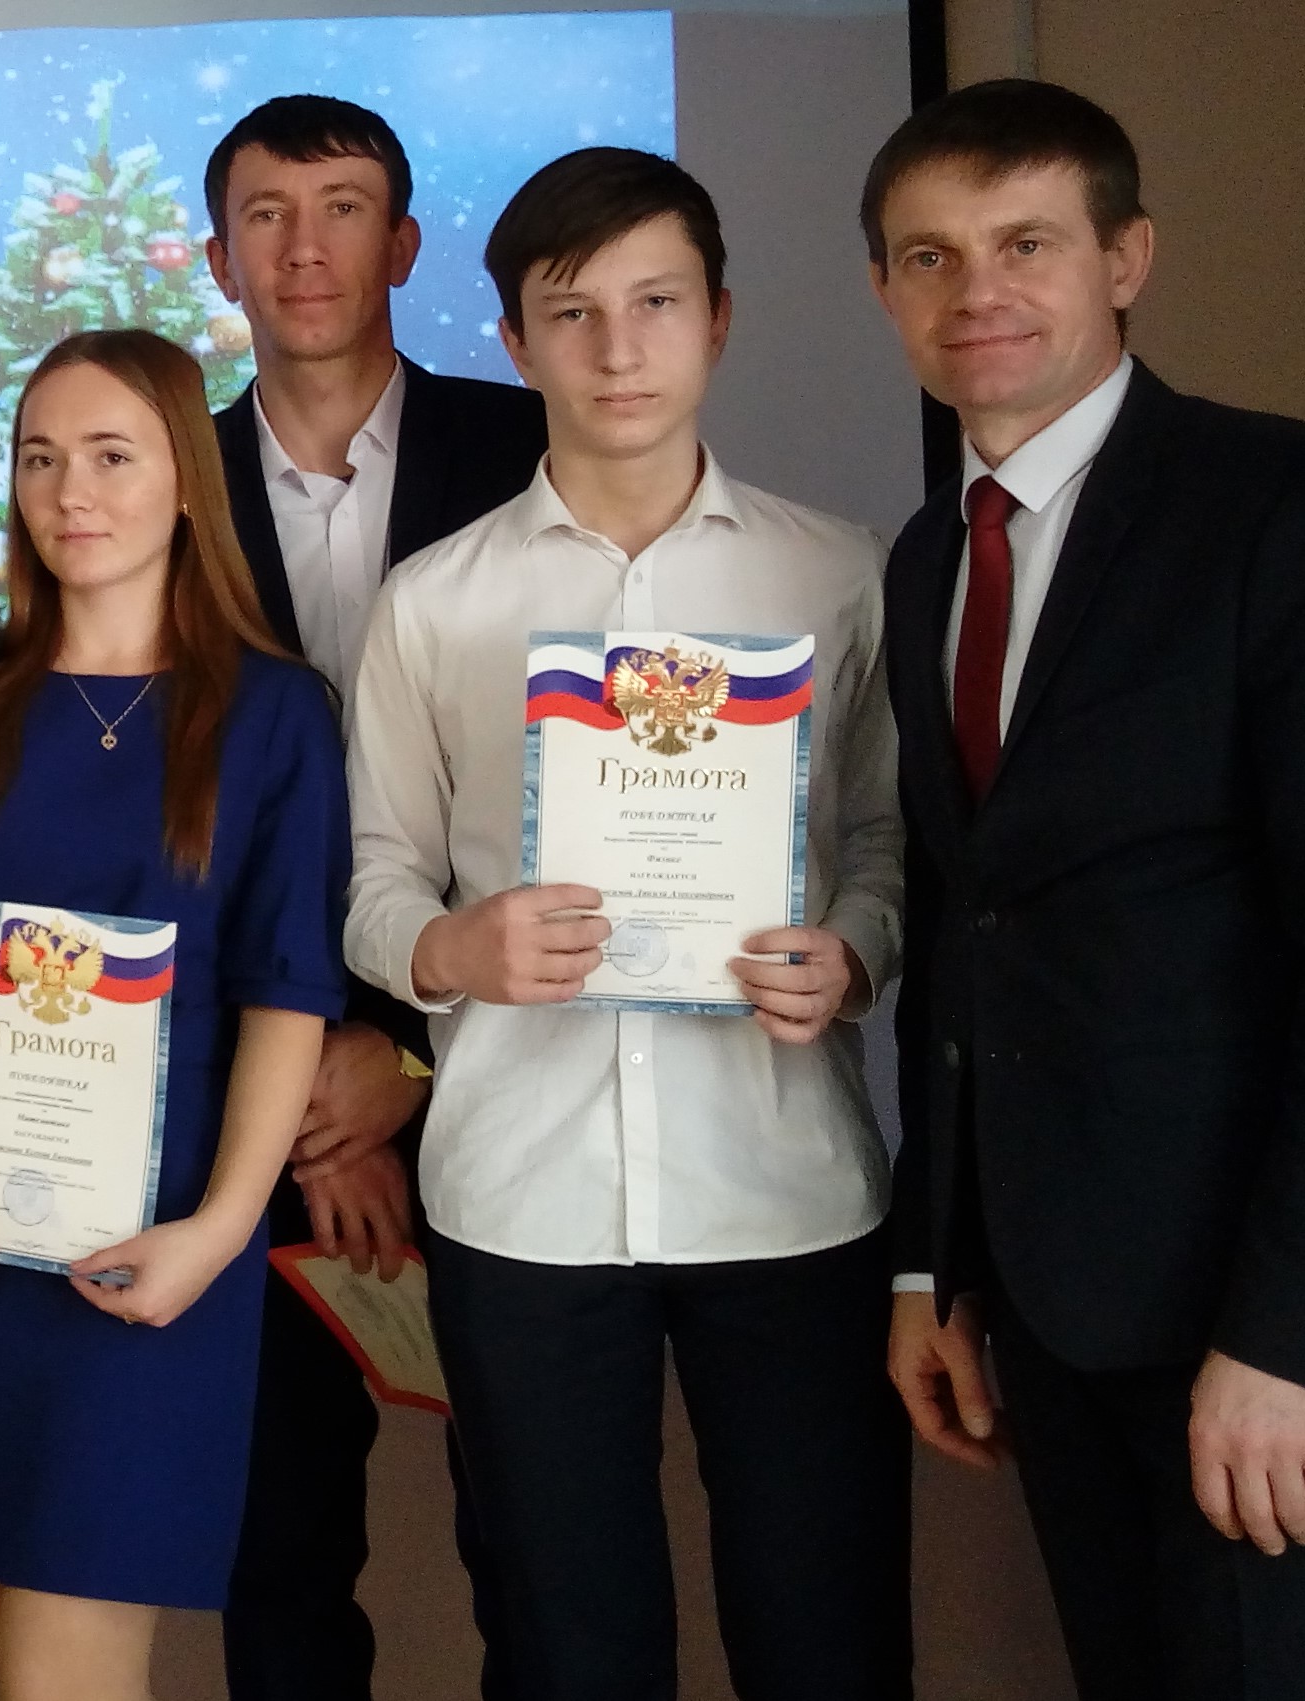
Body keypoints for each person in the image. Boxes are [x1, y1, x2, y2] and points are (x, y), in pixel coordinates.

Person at [864, 80, 1305, 1700]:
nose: (975, 290)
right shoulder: (928, 557)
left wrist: (1300, 1337)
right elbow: (964, 924)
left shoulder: (1292, 514)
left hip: (1263, 1320)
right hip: (1048, 1308)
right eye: (929, 256)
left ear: (1125, 258)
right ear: (883, 290)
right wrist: (935, 1264)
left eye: (1025, 243)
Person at [343, 148, 910, 1701]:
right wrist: (450, 951)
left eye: (656, 302)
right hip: (524, 1199)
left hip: (786, 1187)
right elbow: (376, 879)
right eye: (571, 311)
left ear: (719, 318)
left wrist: (855, 949)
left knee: (826, 1635)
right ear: (514, 342)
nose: (617, 348)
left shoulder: (838, 572)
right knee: (564, 1648)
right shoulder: (435, 602)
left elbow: (887, 840)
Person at [0, 327, 349, 1700]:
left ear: (187, 481)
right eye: (41, 458)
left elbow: (288, 995)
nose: (71, 491)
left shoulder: (275, 713)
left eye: (112, 456)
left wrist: (221, 1234)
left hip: (155, 1251)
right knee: (15, 1662)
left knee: (72, 1670)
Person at [195, 94, 548, 1701]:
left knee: (537, 1554)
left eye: (342, 207)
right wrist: (311, 1089)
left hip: (510, 1085)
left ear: (403, 244)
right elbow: (149, 826)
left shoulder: (534, 455)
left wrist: (400, 1057)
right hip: (249, 1110)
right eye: (265, 214)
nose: (304, 246)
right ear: (219, 259)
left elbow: (576, 793)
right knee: (276, 1564)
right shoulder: (161, 487)